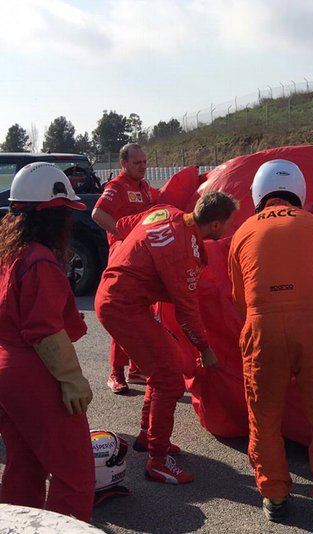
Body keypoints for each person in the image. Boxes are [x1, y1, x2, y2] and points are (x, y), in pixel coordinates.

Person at [228, 160, 313, 529]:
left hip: (262, 328)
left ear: (257, 194)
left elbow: (239, 298)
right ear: (298, 191)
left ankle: (275, 495)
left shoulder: (243, 232)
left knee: (263, 419)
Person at [95, 192, 238, 484]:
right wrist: (205, 349)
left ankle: (148, 435)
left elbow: (123, 226)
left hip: (116, 296)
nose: (227, 231)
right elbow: (188, 312)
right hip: (125, 305)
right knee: (169, 380)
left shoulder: (163, 211)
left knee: (163, 368)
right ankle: (157, 461)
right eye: (227, 225)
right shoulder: (185, 251)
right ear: (215, 225)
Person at [0, 162, 94, 521]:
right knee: (75, 473)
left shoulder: (9, 253)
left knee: (24, 466)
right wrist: (71, 378)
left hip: (8, 371)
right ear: (52, 214)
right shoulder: (40, 260)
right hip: (33, 371)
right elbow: (42, 330)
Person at [92, 143, 158, 394]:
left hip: (142, 258)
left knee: (141, 312)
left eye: (144, 162)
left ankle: (136, 369)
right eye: (137, 163)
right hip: (122, 259)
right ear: (124, 164)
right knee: (122, 313)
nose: (143, 166)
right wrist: (122, 235)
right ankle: (116, 373)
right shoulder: (117, 187)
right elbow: (97, 214)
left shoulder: (145, 189)